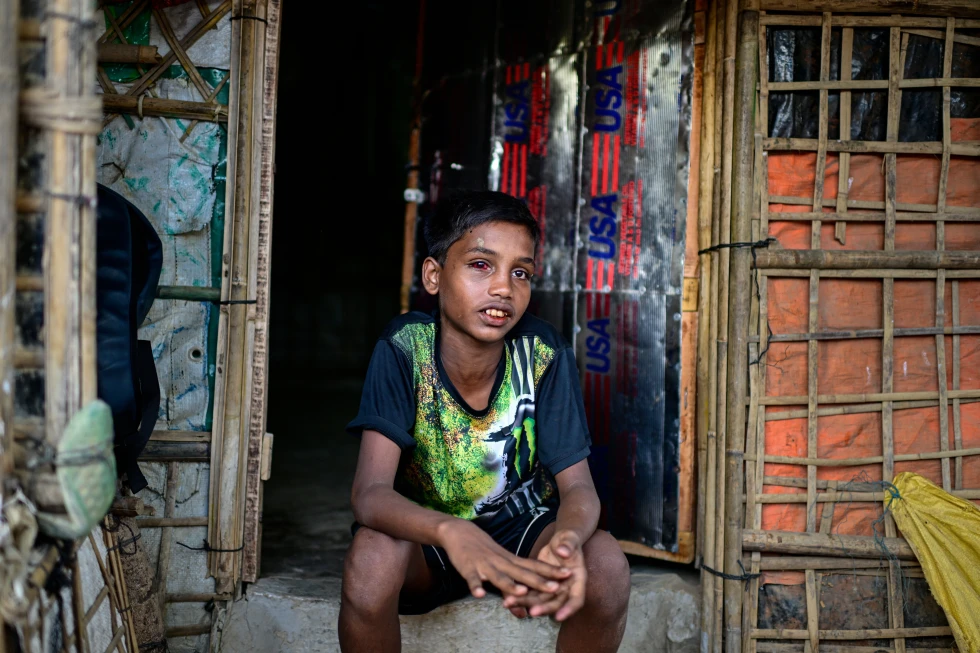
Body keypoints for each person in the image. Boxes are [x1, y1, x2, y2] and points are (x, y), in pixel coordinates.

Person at [339, 191, 630, 652]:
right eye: (481, 265)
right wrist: (450, 531)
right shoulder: (405, 348)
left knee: (607, 565)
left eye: (520, 272)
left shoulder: (542, 352)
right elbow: (369, 495)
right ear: (434, 275)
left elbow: (578, 488)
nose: (503, 288)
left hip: (520, 532)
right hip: (429, 540)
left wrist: (567, 542)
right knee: (371, 559)